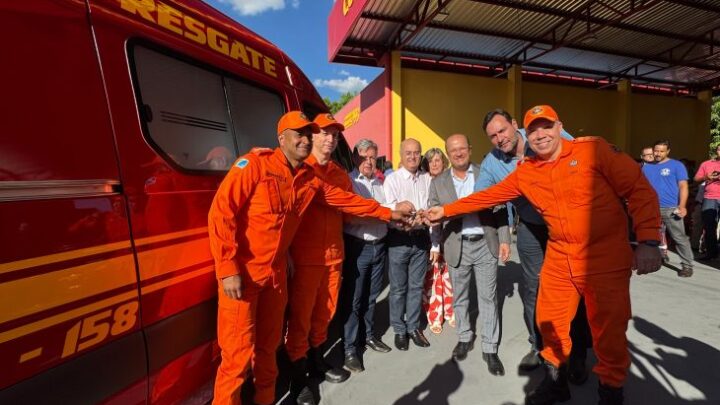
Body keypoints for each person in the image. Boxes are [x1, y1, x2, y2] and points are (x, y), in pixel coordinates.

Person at [425, 105, 662, 405]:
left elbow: (639, 189)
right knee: (549, 319)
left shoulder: (594, 150)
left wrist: (649, 241)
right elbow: (486, 196)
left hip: (604, 255)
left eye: (546, 127)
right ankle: (556, 381)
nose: (540, 135)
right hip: (560, 253)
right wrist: (445, 210)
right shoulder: (526, 172)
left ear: (558, 126)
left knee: (609, 329)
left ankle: (611, 391)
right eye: (534, 129)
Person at [207, 111, 411, 405]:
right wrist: (227, 268)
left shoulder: (308, 179)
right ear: (282, 139)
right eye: (300, 134)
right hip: (244, 276)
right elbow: (221, 213)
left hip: (275, 277)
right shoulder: (254, 166)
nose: (306, 140)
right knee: (237, 357)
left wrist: (390, 213)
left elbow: (347, 201)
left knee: (267, 350)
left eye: (308, 134)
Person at [476, 109, 590, 382]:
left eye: (502, 130)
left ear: (515, 125)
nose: (499, 138)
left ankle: (577, 355)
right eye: (493, 136)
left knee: (575, 287)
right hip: (530, 227)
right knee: (533, 289)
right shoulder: (492, 162)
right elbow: (480, 195)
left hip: (566, 224)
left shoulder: (543, 133)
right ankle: (538, 346)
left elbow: (579, 158)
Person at [428, 134, 510, 375]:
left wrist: (505, 239)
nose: (458, 153)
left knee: (488, 297)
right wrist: (435, 244)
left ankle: (490, 347)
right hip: (456, 244)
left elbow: (501, 208)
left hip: (486, 243)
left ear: (470, 149)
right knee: (460, 297)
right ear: (448, 154)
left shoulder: (485, 174)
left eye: (462, 148)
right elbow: (434, 213)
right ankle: (464, 337)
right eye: (453, 150)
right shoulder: (439, 182)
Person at [340, 139, 396, 374]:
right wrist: (379, 212)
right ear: (355, 158)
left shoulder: (381, 182)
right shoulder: (349, 182)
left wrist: (382, 212)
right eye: (364, 157)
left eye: (373, 157)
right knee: (353, 300)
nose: (369, 162)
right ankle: (350, 349)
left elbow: (388, 209)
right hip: (358, 247)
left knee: (372, 296)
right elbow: (352, 215)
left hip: (379, 245)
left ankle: (369, 336)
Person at [383, 138, 432, 351]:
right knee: (398, 288)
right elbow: (385, 207)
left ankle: (413, 327)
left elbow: (431, 205)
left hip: (421, 239)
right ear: (401, 156)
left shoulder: (427, 179)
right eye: (409, 153)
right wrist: (397, 207)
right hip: (399, 240)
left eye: (416, 153)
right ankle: (399, 330)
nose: (413, 157)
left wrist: (424, 215)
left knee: (415, 286)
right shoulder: (392, 180)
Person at [642, 140, 694, 277]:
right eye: (656, 151)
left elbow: (683, 186)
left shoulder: (677, 165)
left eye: (661, 151)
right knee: (650, 236)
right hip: (651, 208)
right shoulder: (646, 167)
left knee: (679, 238)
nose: (658, 154)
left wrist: (682, 206)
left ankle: (687, 266)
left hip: (671, 208)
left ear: (668, 151)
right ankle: (655, 259)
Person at [421, 148, 455, 334]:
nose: (434, 163)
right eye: (431, 161)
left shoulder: (449, 181)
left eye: (438, 160)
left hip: (449, 234)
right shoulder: (424, 181)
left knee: (449, 276)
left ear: (444, 162)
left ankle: (450, 312)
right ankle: (435, 315)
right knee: (433, 277)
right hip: (429, 235)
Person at [694, 144, 720, 260]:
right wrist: (706, 177)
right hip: (709, 197)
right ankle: (711, 253)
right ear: (716, 151)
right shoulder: (706, 164)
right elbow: (696, 179)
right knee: (709, 226)